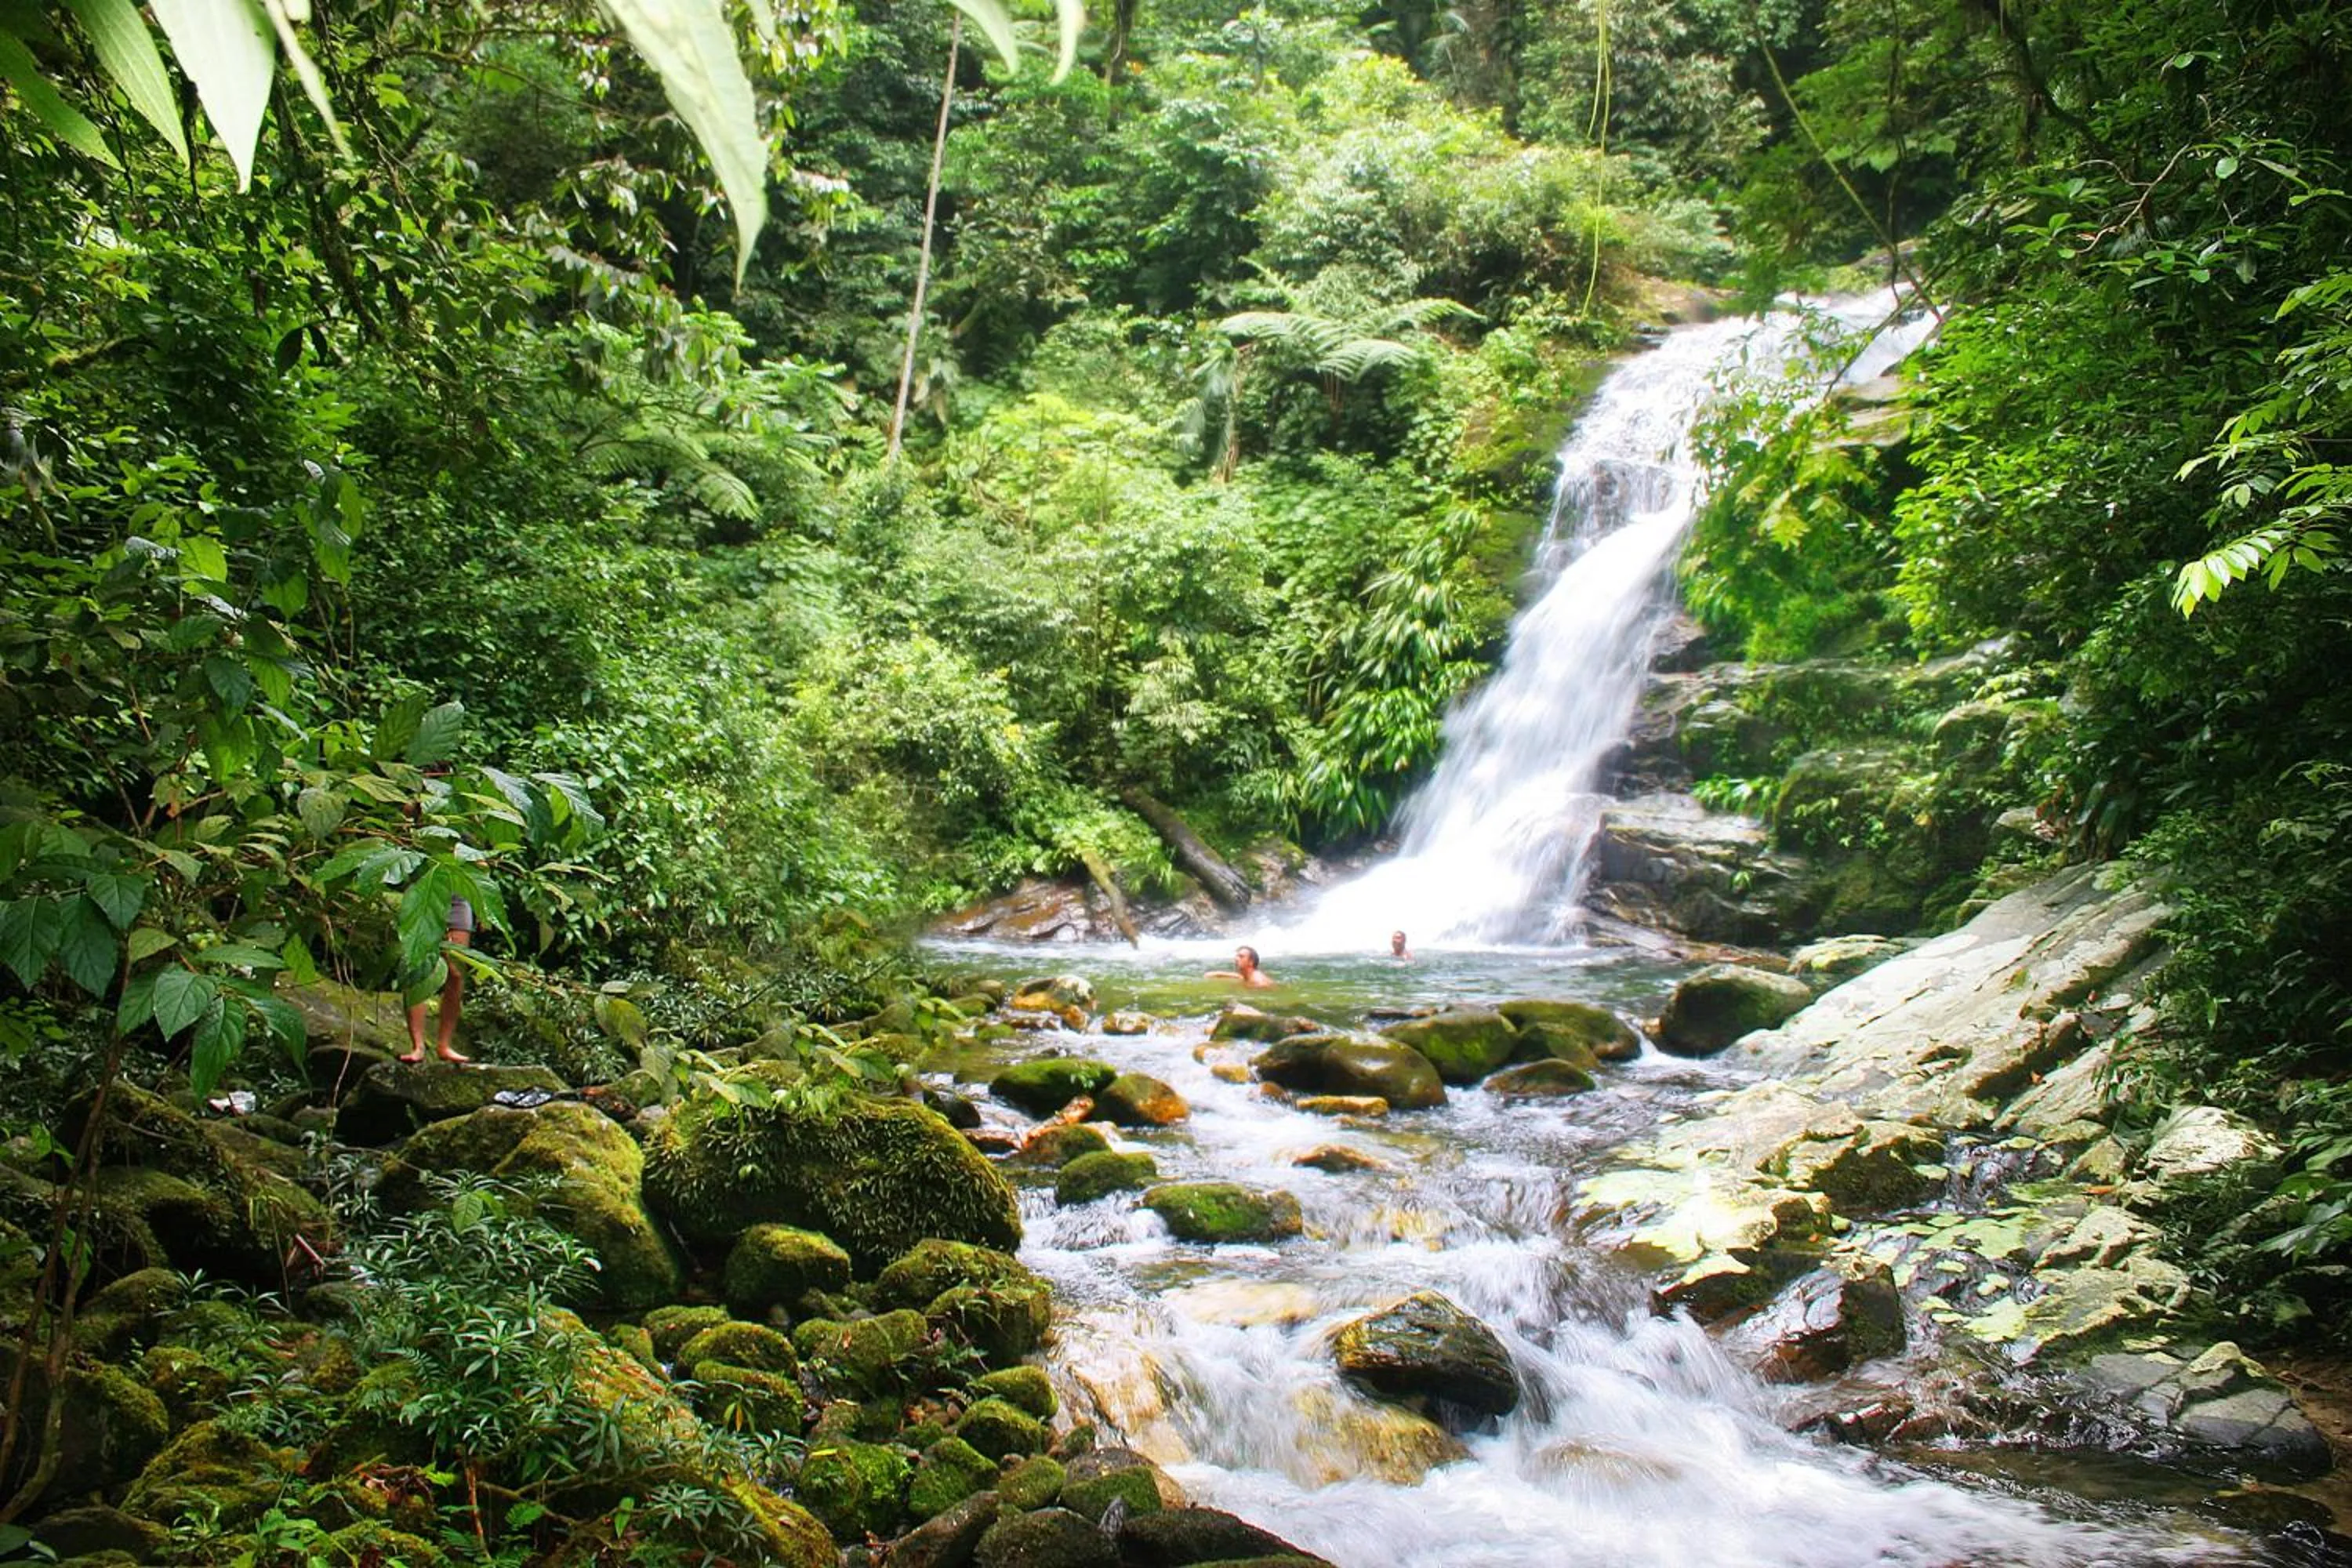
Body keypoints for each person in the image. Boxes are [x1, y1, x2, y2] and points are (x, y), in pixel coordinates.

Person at [401, 895, 474, 1064]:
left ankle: (444, 1046)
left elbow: (483, 869)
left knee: (456, 974)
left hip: (458, 900)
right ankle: (418, 1046)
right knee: (419, 970)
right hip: (424, 898)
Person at [1207, 945, 1276, 989]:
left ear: (1251, 962)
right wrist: (1216, 974)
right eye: (1237, 956)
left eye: (1241, 957)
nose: (1236, 959)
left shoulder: (1258, 982)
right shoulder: (1245, 976)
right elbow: (1237, 976)